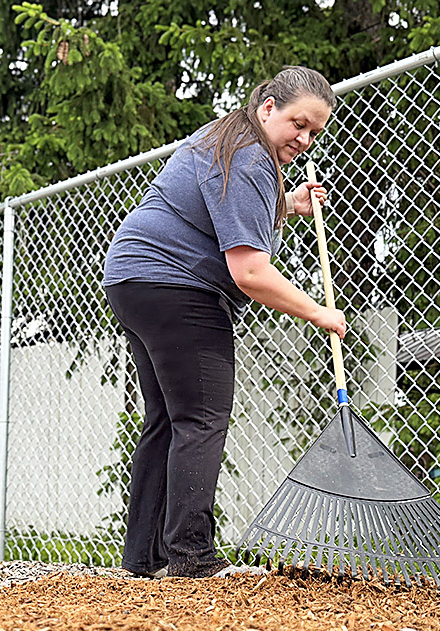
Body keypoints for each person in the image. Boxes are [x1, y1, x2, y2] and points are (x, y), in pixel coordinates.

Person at [103, 66, 348, 579]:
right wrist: (319, 311)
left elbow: (219, 208)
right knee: (202, 417)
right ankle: (192, 557)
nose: (304, 140)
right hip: (177, 286)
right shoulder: (249, 157)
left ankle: (145, 559)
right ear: (268, 108)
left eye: (314, 133)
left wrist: (287, 206)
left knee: (169, 420)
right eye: (298, 124)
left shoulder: (227, 138)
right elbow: (251, 272)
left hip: (132, 278)